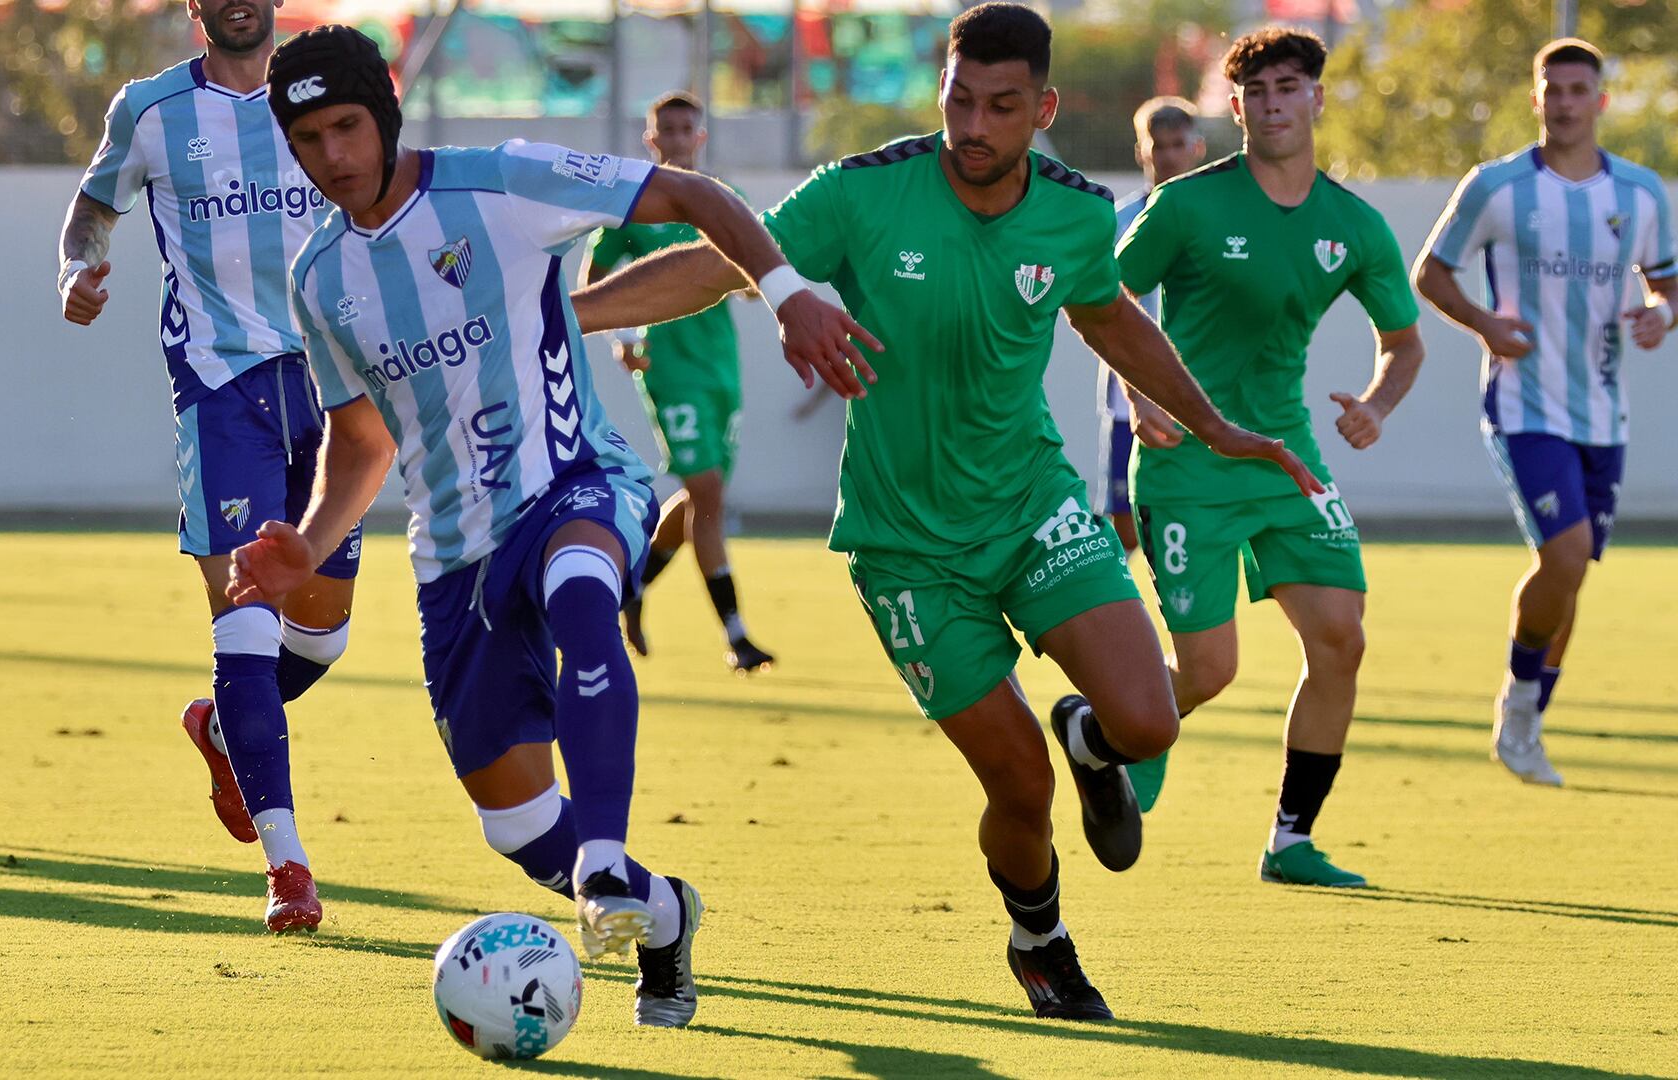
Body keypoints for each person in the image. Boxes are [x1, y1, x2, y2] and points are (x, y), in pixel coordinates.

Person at [571, 3, 1319, 1020]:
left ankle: (1092, 738)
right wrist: (569, 314)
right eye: (960, 101)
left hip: (1031, 506)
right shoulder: (861, 194)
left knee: (1147, 721)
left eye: (1002, 107)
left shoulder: (1076, 213)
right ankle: (1040, 939)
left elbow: (1109, 318)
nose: (974, 126)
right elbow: (721, 265)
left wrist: (1216, 423)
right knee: (1020, 789)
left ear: (1043, 109)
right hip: (906, 550)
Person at [226, 25, 874, 1027]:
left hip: (576, 480)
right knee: (519, 824)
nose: (333, 157)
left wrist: (785, 295)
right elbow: (360, 446)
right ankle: (660, 913)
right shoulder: (320, 282)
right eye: (307, 140)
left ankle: (608, 860)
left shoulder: (502, 180)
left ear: (386, 111)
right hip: (453, 557)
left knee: (581, 588)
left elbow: (693, 196)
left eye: (347, 126)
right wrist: (304, 548)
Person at [57, 0, 363, 933]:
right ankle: (289, 869)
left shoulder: (323, 103)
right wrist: (77, 268)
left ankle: (225, 727)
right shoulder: (151, 111)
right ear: (195, 6)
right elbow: (90, 213)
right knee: (246, 620)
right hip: (221, 389)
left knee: (321, 639)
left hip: (336, 385)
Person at [1114, 27, 1427, 887]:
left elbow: (1404, 342)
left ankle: (1291, 840)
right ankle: (1115, 736)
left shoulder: (1352, 224)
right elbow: (1105, 294)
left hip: (1287, 462)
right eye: (1255, 92)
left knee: (1341, 639)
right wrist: (1141, 395)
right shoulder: (1184, 205)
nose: (1273, 104)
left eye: (1289, 88)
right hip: (1188, 464)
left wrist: (1375, 404)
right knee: (1211, 671)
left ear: (1317, 98)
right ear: (1238, 107)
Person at [1414, 38, 1675, 786]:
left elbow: (1668, 284)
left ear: (1601, 100)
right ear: (1535, 98)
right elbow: (1431, 272)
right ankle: (1520, 706)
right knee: (1564, 555)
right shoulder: (1496, 187)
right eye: (1551, 90)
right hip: (1523, 404)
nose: (1564, 103)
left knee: (1571, 572)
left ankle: (1527, 719)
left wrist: (1663, 315)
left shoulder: (1641, 193)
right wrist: (1487, 325)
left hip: (1604, 412)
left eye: (1577, 90)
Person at [583, 92, 775, 673]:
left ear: (700, 137)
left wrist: (751, 277)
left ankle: (632, 587)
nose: (674, 137)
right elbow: (591, 284)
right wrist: (624, 339)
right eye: (664, 129)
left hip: (721, 368)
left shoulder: (723, 202)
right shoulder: (634, 207)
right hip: (670, 369)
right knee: (710, 493)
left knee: (701, 496)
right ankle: (737, 635)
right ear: (650, 138)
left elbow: (752, 277)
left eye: (685, 128)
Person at [1098, 97, 1207, 556]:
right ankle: (1109, 623)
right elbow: (1102, 309)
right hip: (1131, 399)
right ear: (1142, 151)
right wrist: (1135, 387)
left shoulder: (1214, 217)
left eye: (1177, 144)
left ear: (1197, 147)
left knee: (1201, 521)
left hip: (1203, 391)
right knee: (1124, 528)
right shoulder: (1119, 221)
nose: (1167, 155)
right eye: (1156, 145)